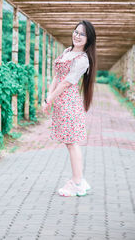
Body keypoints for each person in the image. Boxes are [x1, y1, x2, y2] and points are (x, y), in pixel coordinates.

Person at [42, 20, 97, 197]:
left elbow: (66, 83)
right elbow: (57, 77)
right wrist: (48, 97)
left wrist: (50, 98)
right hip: (60, 102)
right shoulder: (67, 51)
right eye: (76, 31)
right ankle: (79, 179)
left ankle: (77, 182)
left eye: (82, 34)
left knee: (72, 143)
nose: (77, 36)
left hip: (69, 104)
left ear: (88, 39)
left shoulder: (83, 59)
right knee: (70, 143)